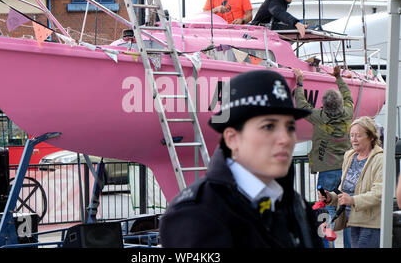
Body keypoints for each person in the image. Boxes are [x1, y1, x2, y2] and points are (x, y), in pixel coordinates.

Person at [159, 69, 323, 248]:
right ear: (232, 138)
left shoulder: (295, 205)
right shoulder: (194, 215)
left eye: (290, 127)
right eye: (268, 126)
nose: (285, 139)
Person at [292, 66, 354, 248]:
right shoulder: (348, 113)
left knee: (326, 212)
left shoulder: (319, 116)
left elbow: (302, 105)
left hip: (326, 172)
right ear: (340, 104)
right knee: (348, 211)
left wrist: (300, 82)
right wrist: (339, 79)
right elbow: (349, 97)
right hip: (346, 170)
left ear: (324, 105)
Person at [319, 116, 383, 248]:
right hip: (352, 220)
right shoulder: (349, 156)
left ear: (371, 137)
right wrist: (331, 197)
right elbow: (345, 191)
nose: (353, 139)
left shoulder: (380, 159)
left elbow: (380, 194)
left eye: (358, 135)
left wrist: (353, 200)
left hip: (371, 223)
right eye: (351, 135)